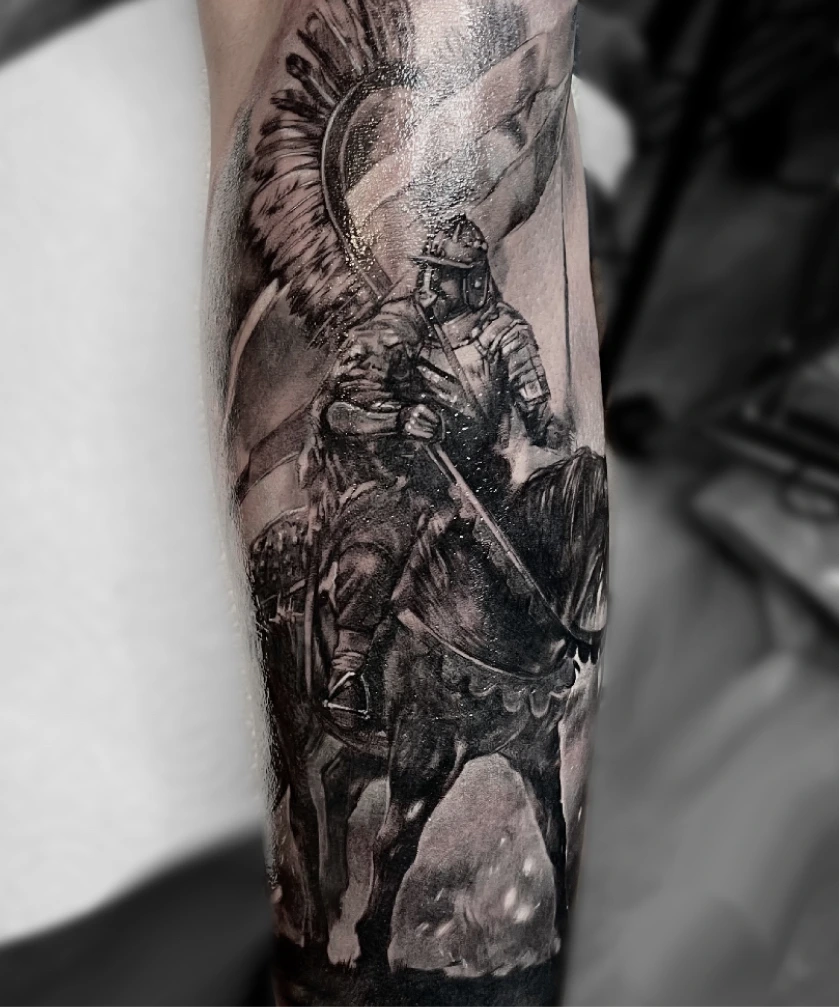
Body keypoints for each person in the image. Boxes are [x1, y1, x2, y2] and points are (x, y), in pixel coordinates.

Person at [307, 215, 570, 715]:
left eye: (444, 274)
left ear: (474, 280)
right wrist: (398, 420)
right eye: (427, 270)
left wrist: (561, 452)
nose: (429, 282)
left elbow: (542, 423)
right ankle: (348, 670)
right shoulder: (396, 326)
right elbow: (337, 413)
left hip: (485, 484)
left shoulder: (507, 334)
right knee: (372, 559)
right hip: (404, 483)